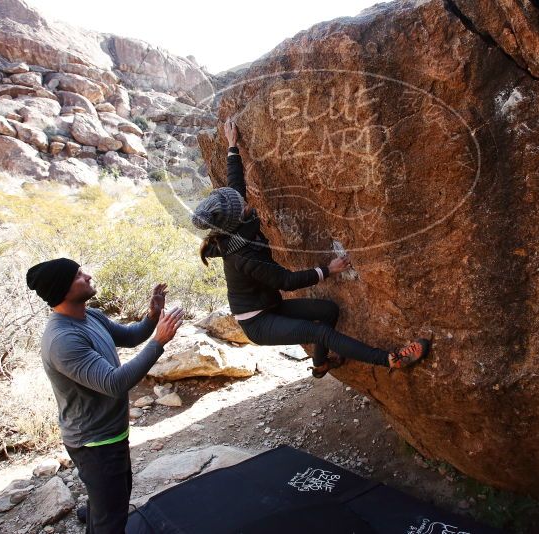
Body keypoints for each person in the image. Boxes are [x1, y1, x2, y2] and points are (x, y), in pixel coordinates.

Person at [192, 119, 430, 377]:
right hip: (257, 322)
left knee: (328, 311)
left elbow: (235, 185)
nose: (243, 197)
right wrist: (328, 269)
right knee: (319, 331)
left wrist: (232, 146)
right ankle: (390, 359)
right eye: (240, 201)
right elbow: (287, 280)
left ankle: (320, 363)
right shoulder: (243, 254)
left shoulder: (236, 225)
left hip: (269, 305)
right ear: (238, 216)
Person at [26, 258, 184, 534]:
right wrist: (158, 341)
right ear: (62, 288)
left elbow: (131, 336)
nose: (87, 276)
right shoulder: (63, 339)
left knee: (112, 503)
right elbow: (114, 383)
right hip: (95, 442)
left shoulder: (91, 315)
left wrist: (151, 317)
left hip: (110, 433)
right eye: (77, 275)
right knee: (112, 519)